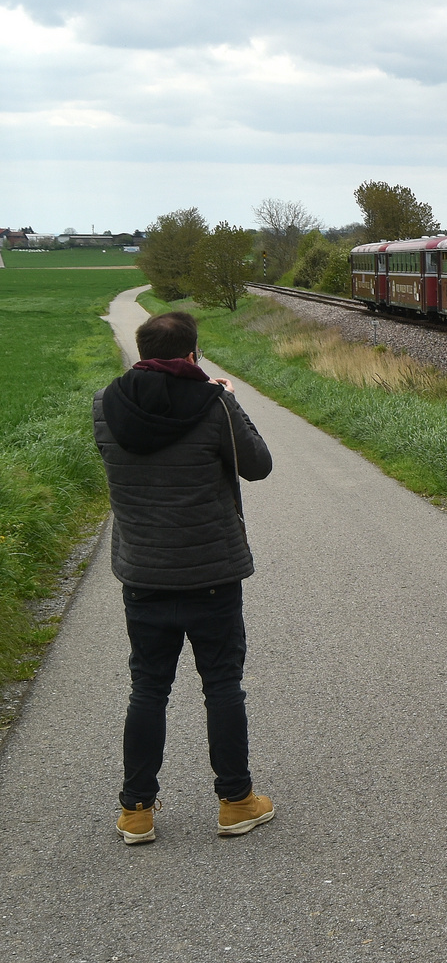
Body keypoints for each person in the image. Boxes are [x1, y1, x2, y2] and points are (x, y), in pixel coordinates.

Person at [94, 311, 274, 845]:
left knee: (148, 688)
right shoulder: (214, 403)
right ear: (192, 353)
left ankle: (136, 812)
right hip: (212, 575)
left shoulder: (107, 405)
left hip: (144, 575)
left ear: (142, 349)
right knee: (221, 685)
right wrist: (226, 396)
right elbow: (257, 465)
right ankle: (236, 802)